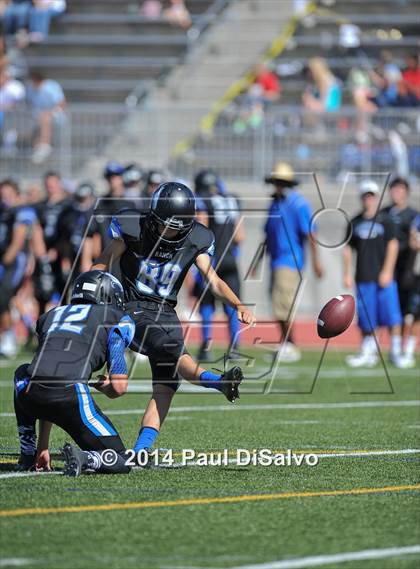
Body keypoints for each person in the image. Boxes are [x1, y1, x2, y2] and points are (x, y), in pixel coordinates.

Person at [92, 182, 255, 458]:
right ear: (154, 218)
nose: (173, 231)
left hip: (165, 312)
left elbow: (213, 281)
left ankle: (140, 451)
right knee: (173, 353)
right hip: (132, 306)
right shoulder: (133, 227)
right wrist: (92, 290)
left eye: (179, 226)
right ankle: (217, 382)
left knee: (167, 386)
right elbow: (103, 262)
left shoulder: (197, 237)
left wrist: (237, 303)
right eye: (168, 224)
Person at [14, 270, 134, 476]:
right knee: (121, 459)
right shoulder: (117, 318)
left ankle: (29, 451)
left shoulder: (51, 315)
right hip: (69, 396)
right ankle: (86, 457)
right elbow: (119, 387)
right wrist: (106, 389)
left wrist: (44, 446)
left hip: (32, 396)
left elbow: (47, 370)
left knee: (23, 373)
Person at [261, 162, 323, 362]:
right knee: (277, 304)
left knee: (284, 304)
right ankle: (286, 342)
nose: (278, 186)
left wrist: (316, 262)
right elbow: (268, 235)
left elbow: (310, 233)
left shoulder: (299, 204)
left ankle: (291, 344)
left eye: (282, 182)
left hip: (290, 260)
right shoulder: (274, 204)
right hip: (276, 260)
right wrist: (257, 262)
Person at [343, 180, 403, 368]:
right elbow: (347, 249)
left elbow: (393, 245)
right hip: (364, 277)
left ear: (377, 197)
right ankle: (368, 351)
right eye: (365, 196)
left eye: (372, 196)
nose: (369, 199)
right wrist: (346, 273)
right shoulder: (355, 222)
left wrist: (387, 271)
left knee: (392, 316)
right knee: (367, 318)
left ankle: (395, 352)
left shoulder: (386, 220)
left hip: (384, 278)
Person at [193, 170, 244, 361]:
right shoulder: (232, 200)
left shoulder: (202, 202)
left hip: (211, 260)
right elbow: (240, 236)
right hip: (230, 259)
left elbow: (201, 228)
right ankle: (235, 347)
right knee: (232, 304)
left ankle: (206, 346)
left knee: (206, 304)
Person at [0, 178, 37, 357]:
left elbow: (19, 239)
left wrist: (8, 257)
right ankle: (25, 328)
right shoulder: (4, 211)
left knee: (5, 295)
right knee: (8, 298)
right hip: (4, 259)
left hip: (14, 260)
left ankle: (11, 335)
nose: (4, 197)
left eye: (7, 194)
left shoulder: (23, 211)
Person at [381, 177, 417, 337]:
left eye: (400, 189)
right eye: (394, 189)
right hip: (387, 269)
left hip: (407, 268)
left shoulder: (414, 216)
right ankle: (393, 346)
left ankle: (408, 347)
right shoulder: (383, 214)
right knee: (390, 310)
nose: (396, 192)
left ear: (406, 193)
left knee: (410, 310)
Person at [33, 171, 72, 310]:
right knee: (43, 290)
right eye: (48, 184)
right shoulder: (40, 206)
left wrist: (58, 249)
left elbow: (69, 231)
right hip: (44, 253)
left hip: (63, 253)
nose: (51, 187)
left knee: (64, 288)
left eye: (53, 184)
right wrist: (42, 253)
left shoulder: (68, 204)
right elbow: (36, 228)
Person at [26, 70, 66, 164]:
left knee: (45, 117)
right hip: (38, 116)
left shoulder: (50, 87)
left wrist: (49, 112)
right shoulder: (30, 89)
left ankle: (45, 146)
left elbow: (61, 103)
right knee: (35, 120)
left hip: (56, 114)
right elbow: (29, 104)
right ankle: (37, 148)